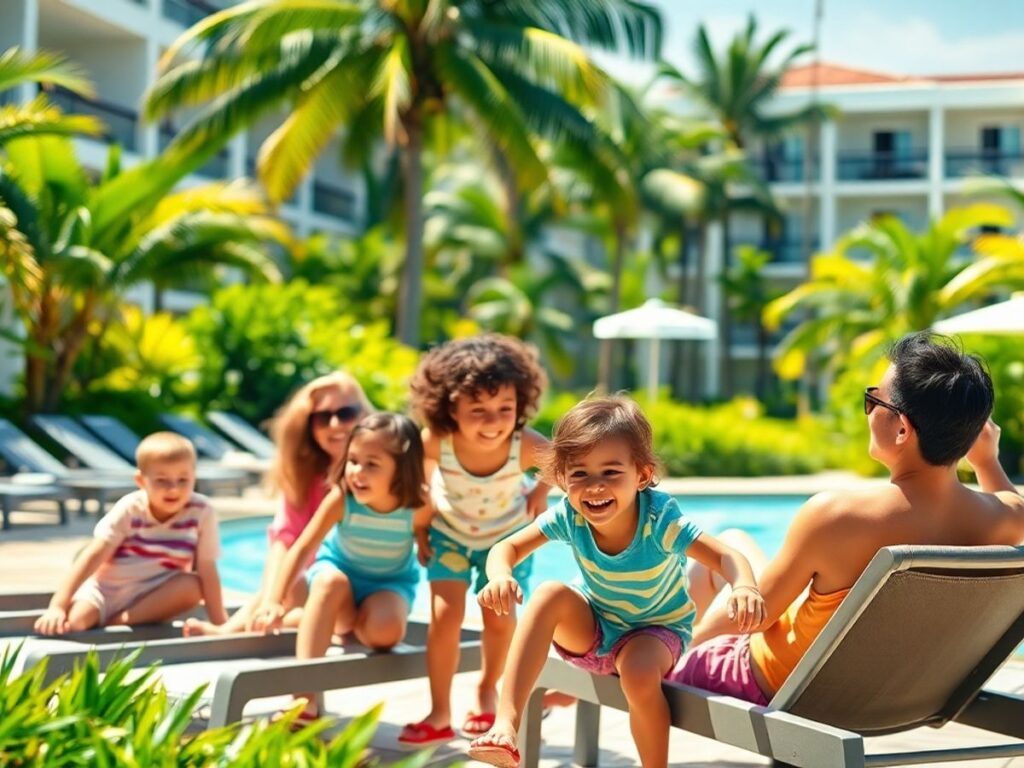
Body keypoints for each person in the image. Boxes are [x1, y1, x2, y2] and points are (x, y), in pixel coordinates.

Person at [672, 332, 1024, 706]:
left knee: (724, 558)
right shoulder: (996, 521)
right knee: (736, 542)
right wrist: (986, 460)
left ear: (903, 428)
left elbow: (755, 619)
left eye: (873, 401)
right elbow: (1013, 505)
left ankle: (679, 652)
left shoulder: (835, 516)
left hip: (775, 682)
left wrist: (697, 648)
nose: (869, 411)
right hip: (891, 696)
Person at [468, 396, 765, 768]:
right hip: (593, 629)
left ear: (641, 475)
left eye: (610, 473)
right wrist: (499, 574)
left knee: (639, 674)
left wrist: (744, 586)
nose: (594, 487)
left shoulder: (659, 520)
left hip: (654, 633)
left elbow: (726, 556)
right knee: (547, 594)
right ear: (562, 479)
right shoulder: (568, 516)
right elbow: (507, 547)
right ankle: (505, 726)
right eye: (579, 474)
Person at [399, 334, 552, 747]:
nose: (494, 421)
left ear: (521, 403)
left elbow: (559, 461)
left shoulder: (524, 446)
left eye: (505, 408)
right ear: (450, 407)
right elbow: (420, 480)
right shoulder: (437, 440)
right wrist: (420, 525)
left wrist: (538, 495)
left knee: (499, 620)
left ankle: (487, 690)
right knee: (444, 617)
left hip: (504, 545)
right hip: (449, 535)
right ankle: (439, 711)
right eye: (478, 410)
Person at [251, 413, 426, 724]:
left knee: (385, 634)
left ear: (403, 469)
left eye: (372, 464)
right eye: (354, 460)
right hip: (339, 578)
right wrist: (274, 599)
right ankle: (304, 697)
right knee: (328, 583)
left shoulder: (419, 506)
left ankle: (321, 621)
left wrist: (429, 548)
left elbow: (427, 541)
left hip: (389, 584)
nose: (357, 472)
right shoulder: (342, 499)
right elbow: (303, 547)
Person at [184, 371, 373, 636]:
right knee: (290, 583)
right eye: (321, 417)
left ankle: (244, 628)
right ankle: (245, 625)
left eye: (346, 414)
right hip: (319, 582)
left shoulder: (380, 473)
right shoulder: (307, 476)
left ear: (364, 415)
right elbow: (284, 542)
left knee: (313, 586)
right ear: (308, 426)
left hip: (364, 587)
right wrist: (271, 599)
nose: (334, 424)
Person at [35, 432, 226, 634]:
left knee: (192, 586)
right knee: (73, 625)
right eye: (162, 480)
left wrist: (221, 626)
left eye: (183, 480)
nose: (173, 489)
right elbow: (93, 555)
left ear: (194, 478)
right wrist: (58, 606)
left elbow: (207, 569)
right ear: (141, 481)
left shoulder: (201, 511)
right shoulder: (131, 508)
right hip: (107, 590)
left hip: (154, 593)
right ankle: (111, 620)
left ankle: (119, 622)